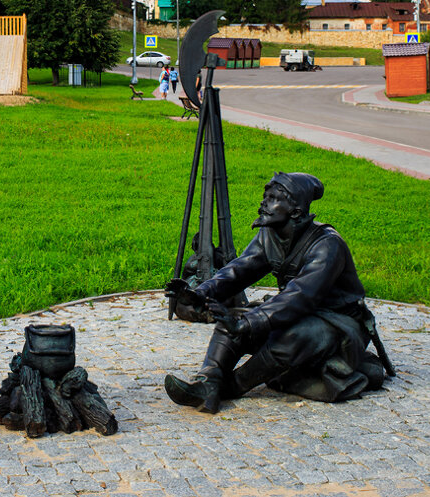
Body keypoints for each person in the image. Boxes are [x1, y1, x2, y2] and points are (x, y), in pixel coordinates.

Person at [165, 172, 392, 414]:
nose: (264, 203)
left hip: (337, 322)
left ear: (295, 210)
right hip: (295, 312)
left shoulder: (328, 245)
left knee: (286, 335)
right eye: (266, 196)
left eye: (274, 198)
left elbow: (301, 295)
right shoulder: (269, 236)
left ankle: (230, 386)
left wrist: (247, 323)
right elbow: (238, 271)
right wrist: (199, 293)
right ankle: (207, 382)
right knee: (227, 324)